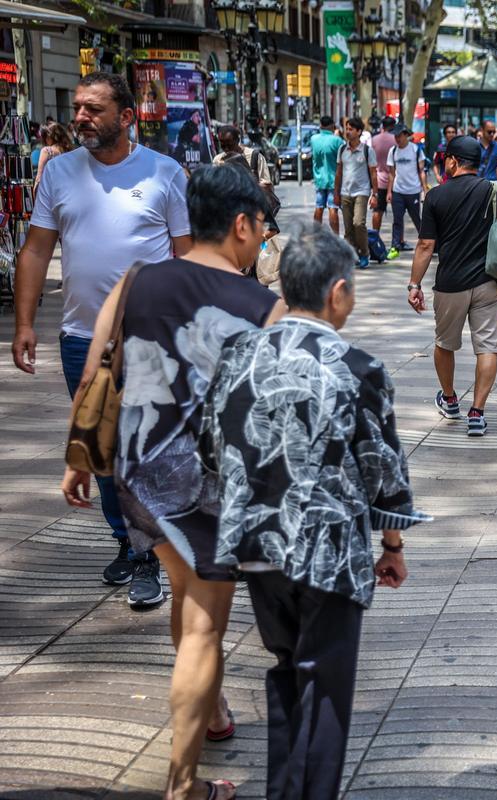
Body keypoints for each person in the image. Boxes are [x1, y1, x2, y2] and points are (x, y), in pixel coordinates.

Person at [61, 164, 283, 800]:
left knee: (184, 595)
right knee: (207, 623)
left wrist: (76, 459)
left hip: (136, 468)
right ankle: (183, 788)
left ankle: (209, 714)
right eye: (261, 228)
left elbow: (96, 371)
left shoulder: (137, 280)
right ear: (241, 224)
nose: (261, 240)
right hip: (207, 483)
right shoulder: (263, 307)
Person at [202, 222, 428, 799]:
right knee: (325, 689)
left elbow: (212, 444)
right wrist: (393, 545)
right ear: (336, 292)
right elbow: (382, 467)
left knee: (286, 672)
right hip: (328, 553)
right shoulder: (358, 367)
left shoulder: (237, 355)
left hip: (256, 550)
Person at [12, 72, 191, 607]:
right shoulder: (60, 173)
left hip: (151, 338)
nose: (82, 117)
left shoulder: (164, 173)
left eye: (94, 109)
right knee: (101, 450)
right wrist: (25, 323)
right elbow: (38, 250)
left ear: (127, 117)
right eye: (79, 108)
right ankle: (127, 543)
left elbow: (186, 256)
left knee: (145, 452)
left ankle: (150, 554)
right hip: (80, 338)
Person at [406, 135, 497, 437]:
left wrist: (414, 284)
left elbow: (425, 245)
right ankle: (477, 412)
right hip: (489, 282)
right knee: (487, 348)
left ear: (453, 162)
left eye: (446, 158)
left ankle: (449, 400)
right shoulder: (495, 191)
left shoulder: (435, 196)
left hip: (450, 285)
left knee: (445, 343)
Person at [334, 117, 378, 269]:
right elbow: (338, 173)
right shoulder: (342, 150)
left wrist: (375, 194)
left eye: (351, 129)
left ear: (359, 132)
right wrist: (336, 193)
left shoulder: (367, 150)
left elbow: (373, 173)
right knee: (348, 229)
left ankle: (364, 253)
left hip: (362, 191)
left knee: (358, 223)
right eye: (347, 128)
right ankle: (351, 256)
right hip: (345, 192)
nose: (348, 132)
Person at [385, 125, 426, 257]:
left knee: (416, 219)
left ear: (405, 135)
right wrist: (389, 192)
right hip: (398, 191)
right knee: (397, 220)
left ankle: (428, 243)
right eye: (395, 136)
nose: (397, 139)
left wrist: (424, 190)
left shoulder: (416, 150)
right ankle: (395, 247)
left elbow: (421, 171)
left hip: (413, 190)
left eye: (399, 136)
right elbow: (391, 173)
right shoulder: (393, 151)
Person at [310, 116, 343, 235]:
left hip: (319, 180)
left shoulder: (314, 139)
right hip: (334, 180)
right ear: (332, 126)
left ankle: (316, 234)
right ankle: (335, 236)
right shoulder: (337, 140)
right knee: (333, 208)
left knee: (319, 206)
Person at [370, 116, 397, 233]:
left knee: (377, 211)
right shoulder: (396, 139)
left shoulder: (374, 140)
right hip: (395, 181)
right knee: (398, 212)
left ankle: (375, 235)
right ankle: (398, 239)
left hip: (379, 180)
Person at [33, 122, 73, 193]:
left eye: (44, 136)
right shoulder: (70, 150)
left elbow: (39, 179)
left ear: (49, 137)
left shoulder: (47, 151)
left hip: (52, 194)